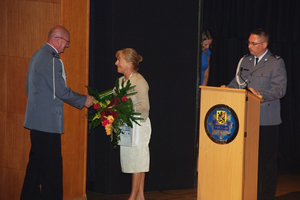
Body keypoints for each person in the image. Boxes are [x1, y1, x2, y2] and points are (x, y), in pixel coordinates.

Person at [21, 25, 94, 200]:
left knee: (37, 166)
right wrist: (84, 100)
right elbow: (60, 91)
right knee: (50, 167)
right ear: (57, 39)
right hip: (47, 124)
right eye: (66, 42)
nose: (66, 46)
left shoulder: (37, 55)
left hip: (37, 121)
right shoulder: (51, 59)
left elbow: (28, 87)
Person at [221, 28, 287, 200]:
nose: (249, 46)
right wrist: (226, 90)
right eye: (249, 42)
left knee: (267, 163)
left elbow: (280, 89)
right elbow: (238, 82)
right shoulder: (245, 60)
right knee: (249, 161)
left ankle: (266, 196)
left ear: (264, 44)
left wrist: (261, 95)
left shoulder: (276, 62)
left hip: (267, 120)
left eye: (253, 43)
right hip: (246, 119)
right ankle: (249, 193)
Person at [115, 48, 151, 200]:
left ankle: (132, 197)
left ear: (129, 64)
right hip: (127, 126)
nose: (116, 63)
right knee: (134, 162)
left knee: (138, 161)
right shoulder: (120, 82)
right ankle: (140, 196)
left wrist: (127, 106)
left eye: (119, 60)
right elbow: (115, 101)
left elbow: (145, 107)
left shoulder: (139, 81)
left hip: (139, 126)